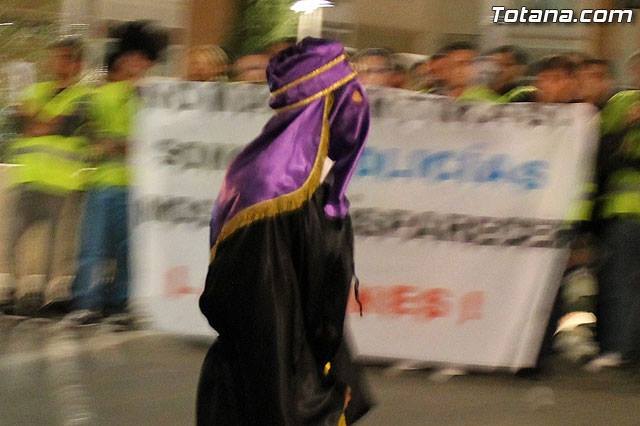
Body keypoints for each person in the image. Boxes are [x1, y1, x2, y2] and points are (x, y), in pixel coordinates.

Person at [197, 38, 373, 425]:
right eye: (349, 98)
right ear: (324, 107)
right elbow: (265, 321)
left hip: (295, 368)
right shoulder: (273, 189)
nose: (359, 110)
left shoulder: (309, 184)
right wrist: (291, 407)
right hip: (267, 389)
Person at [69, 21, 167, 324]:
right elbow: (88, 135)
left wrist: (121, 145)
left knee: (130, 249)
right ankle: (87, 302)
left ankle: (120, 302)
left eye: (145, 61)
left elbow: (152, 142)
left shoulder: (153, 96)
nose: (141, 65)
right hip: (104, 182)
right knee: (94, 246)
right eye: (137, 58)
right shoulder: (100, 94)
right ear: (124, 58)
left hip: (139, 186)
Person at [0, 37, 91, 315]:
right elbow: (20, 124)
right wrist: (40, 121)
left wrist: (38, 120)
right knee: (10, 236)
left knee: (59, 246)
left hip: (62, 182)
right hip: (28, 177)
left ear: (77, 63)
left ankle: (56, 296)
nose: (56, 63)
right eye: (54, 56)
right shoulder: (37, 89)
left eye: (63, 57)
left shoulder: (84, 96)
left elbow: (65, 125)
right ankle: (8, 290)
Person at [503, 55, 577, 103]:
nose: (563, 84)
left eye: (567, 79)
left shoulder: (577, 105)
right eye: (556, 78)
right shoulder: (521, 98)